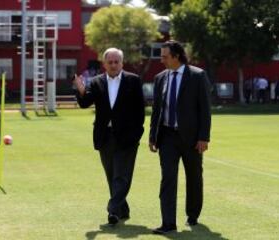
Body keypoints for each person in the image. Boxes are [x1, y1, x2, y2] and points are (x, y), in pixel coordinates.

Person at [73, 48, 145, 225]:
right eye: (110, 62)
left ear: (122, 63)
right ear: (104, 64)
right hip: (105, 137)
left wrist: (136, 134)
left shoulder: (133, 80)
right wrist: (80, 91)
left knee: (122, 175)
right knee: (112, 175)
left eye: (116, 62)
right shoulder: (96, 82)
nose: (113, 65)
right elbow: (85, 103)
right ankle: (123, 209)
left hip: (127, 137)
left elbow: (140, 111)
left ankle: (113, 210)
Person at [149, 40, 211, 234]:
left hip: (192, 138)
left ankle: (192, 215)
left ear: (176, 57)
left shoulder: (197, 76)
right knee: (168, 178)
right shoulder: (160, 78)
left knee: (194, 177)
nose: (162, 60)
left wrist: (204, 137)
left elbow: (205, 110)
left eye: (165, 56)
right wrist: (153, 135)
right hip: (166, 136)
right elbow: (157, 109)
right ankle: (168, 223)